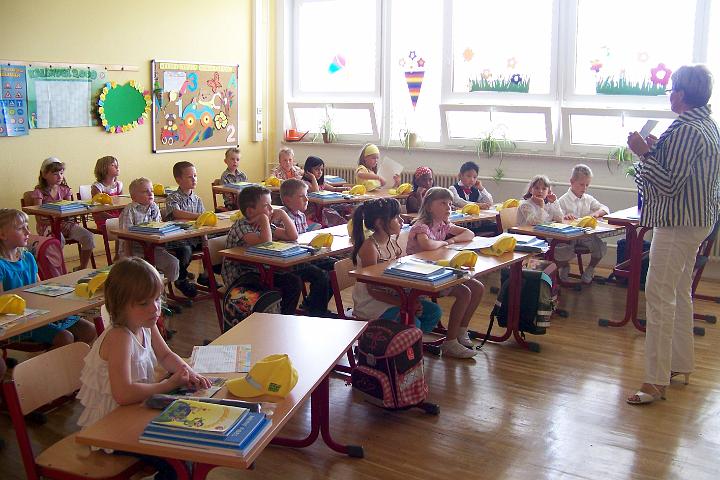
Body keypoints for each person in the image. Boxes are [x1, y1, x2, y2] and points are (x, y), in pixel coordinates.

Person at [625, 65, 720, 405]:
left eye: (671, 90)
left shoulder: (686, 129)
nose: (669, 96)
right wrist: (656, 152)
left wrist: (643, 153)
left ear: (680, 94)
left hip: (678, 223)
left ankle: (655, 380)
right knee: (678, 291)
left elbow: (668, 184)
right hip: (696, 220)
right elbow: (681, 172)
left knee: (659, 295)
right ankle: (679, 363)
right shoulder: (706, 124)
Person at [77, 258, 209, 479]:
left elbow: (165, 355)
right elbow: (123, 394)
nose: (155, 308)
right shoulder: (120, 337)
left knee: (186, 446)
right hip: (111, 427)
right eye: (143, 303)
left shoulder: (145, 324)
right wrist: (168, 385)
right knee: (175, 461)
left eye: (157, 299)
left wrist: (188, 371)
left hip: (134, 412)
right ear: (120, 305)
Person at [350, 198, 452, 355]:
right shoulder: (370, 248)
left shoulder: (392, 242)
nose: (401, 220)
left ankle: (407, 342)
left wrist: (410, 300)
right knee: (413, 321)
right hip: (372, 304)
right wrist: (405, 304)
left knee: (434, 312)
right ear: (379, 223)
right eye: (396, 217)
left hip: (391, 296)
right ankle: (400, 347)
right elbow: (373, 290)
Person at [0, 208, 96, 348]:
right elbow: (2, 305)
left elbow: (40, 288)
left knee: (89, 330)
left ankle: (68, 358)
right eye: (21, 228)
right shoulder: (1, 265)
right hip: (19, 321)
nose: (27, 232)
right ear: (2, 234)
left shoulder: (27, 257)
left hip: (41, 313)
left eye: (27, 226)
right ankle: (51, 360)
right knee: (65, 338)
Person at [405, 187, 483, 358]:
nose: (448, 207)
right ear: (429, 206)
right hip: (418, 276)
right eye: (443, 203)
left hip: (437, 270)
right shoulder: (421, 226)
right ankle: (450, 342)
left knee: (478, 287)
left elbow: (469, 233)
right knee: (464, 292)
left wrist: (452, 239)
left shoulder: (443, 224)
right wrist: (445, 243)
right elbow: (427, 245)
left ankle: (461, 330)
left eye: (449, 204)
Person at [221, 185, 302, 315]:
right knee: (268, 289)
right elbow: (266, 244)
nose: (271, 209)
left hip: (260, 271)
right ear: (250, 212)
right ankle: (269, 319)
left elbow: (292, 236)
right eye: (266, 206)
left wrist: (283, 214)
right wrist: (264, 219)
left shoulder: (263, 224)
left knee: (293, 282)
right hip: (240, 276)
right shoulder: (241, 225)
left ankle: (285, 318)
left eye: (271, 205)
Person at [277, 179, 333, 316]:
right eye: (302, 196)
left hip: (304, 257)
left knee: (334, 266)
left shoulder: (301, 215)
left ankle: (311, 303)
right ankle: (317, 314)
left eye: (306, 195)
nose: (307, 199)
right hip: (291, 263)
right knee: (321, 275)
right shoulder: (280, 218)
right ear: (288, 200)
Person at [30, 157, 96, 269]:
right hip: (46, 225)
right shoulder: (39, 192)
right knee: (58, 240)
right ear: (44, 175)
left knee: (88, 236)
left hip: (65, 224)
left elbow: (70, 210)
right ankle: (56, 269)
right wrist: (56, 222)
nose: (60, 176)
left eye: (61, 173)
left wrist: (72, 216)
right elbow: (39, 218)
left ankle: (82, 267)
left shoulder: (65, 190)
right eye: (55, 174)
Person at [555, 164, 609, 284]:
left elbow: (605, 208)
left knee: (600, 247)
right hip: (568, 237)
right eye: (581, 184)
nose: (584, 188)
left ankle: (590, 269)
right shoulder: (562, 201)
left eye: (587, 185)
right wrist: (565, 218)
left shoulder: (588, 199)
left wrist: (596, 214)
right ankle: (564, 266)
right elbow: (556, 219)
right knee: (562, 251)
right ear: (572, 182)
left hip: (585, 236)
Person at [118, 178, 180, 283]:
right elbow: (126, 236)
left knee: (173, 263)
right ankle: (151, 288)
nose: (150, 193)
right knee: (145, 273)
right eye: (145, 191)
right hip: (135, 249)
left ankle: (160, 288)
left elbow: (159, 227)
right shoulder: (129, 210)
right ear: (133, 197)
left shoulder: (154, 206)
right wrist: (128, 258)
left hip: (153, 247)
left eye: (151, 190)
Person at [164, 161, 206, 297]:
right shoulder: (173, 198)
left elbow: (204, 219)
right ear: (178, 180)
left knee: (211, 244)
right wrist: (198, 216)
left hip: (194, 237)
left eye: (195, 176)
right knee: (185, 250)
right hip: (177, 239)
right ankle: (181, 279)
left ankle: (205, 275)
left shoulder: (197, 199)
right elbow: (177, 213)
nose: (194, 179)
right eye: (189, 177)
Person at [302, 155, 349, 227]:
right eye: (317, 169)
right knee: (331, 214)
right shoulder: (305, 184)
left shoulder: (321, 183)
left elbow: (334, 189)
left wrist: (345, 189)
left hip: (322, 210)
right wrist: (313, 178)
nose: (320, 172)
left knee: (343, 210)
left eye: (321, 169)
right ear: (308, 170)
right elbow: (316, 193)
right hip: (312, 214)